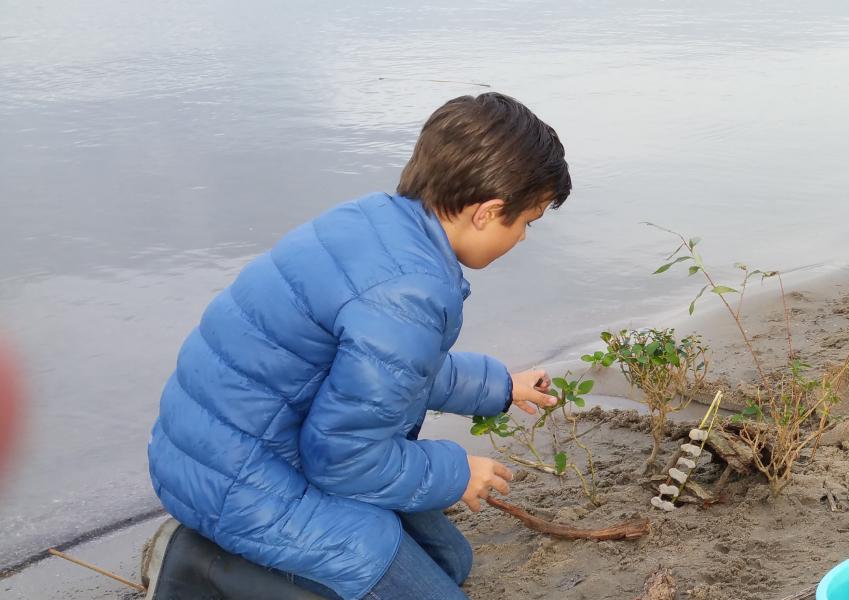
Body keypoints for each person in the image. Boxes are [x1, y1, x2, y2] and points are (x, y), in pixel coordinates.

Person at [138, 92, 568, 600]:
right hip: (241, 483)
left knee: (451, 561)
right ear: (488, 212)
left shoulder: (378, 220)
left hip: (229, 447)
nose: (522, 238)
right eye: (526, 223)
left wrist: (500, 386)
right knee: (407, 575)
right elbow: (343, 460)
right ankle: (198, 561)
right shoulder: (410, 291)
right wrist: (457, 472)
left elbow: (390, 372)